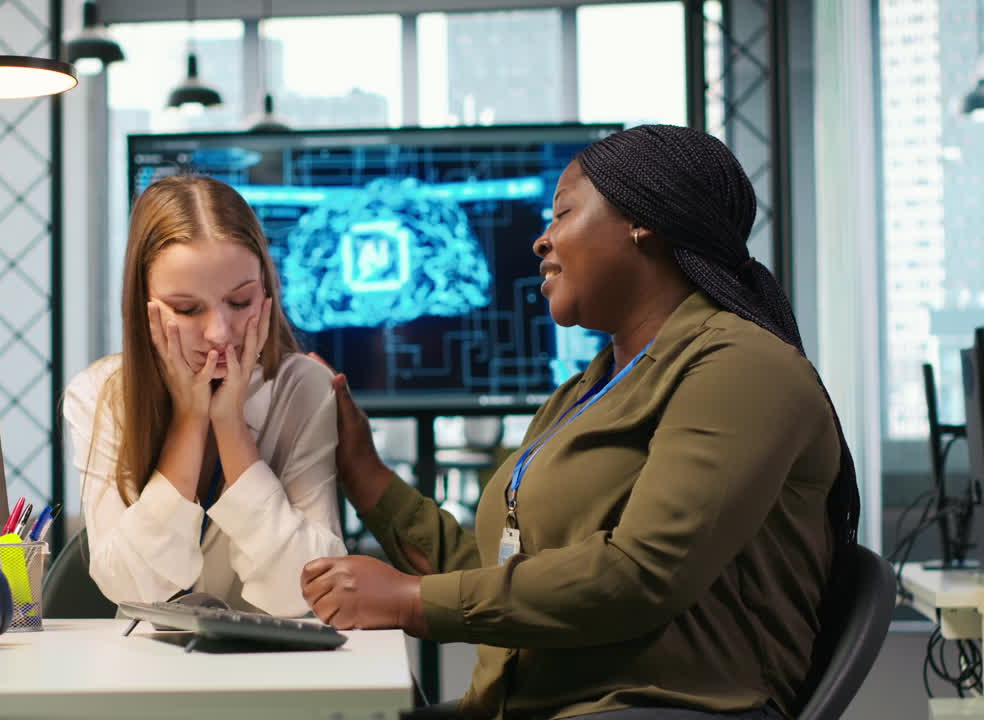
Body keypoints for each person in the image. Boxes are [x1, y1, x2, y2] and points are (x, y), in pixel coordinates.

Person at [301, 124, 862, 719]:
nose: (541, 241)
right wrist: (361, 469)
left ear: (641, 221)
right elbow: (501, 577)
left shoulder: (740, 367)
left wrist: (412, 601)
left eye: (563, 214)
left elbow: (642, 574)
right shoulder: (586, 390)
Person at [64, 174, 346, 617]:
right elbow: (132, 588)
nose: (219, 332)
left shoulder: (304, 387)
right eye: (188, 309)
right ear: (143, 304)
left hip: (284, 654)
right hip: (145, 653)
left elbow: (305, 589)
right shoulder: (99, 394)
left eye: (240, 302)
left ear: (266, 293)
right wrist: (189, 421)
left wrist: (230, 426)